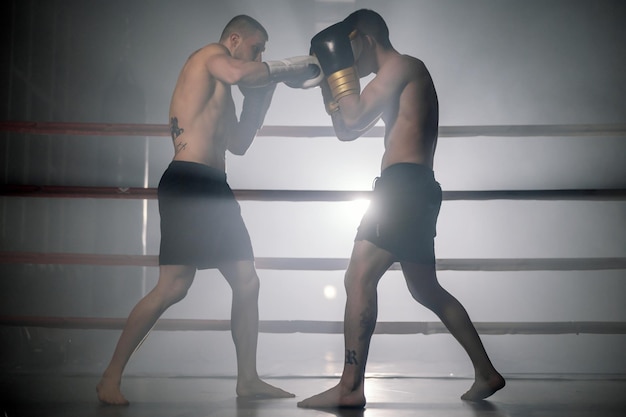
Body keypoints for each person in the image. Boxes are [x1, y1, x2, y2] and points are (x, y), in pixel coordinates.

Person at [96, 14, 322, 405]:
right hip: (189, 181)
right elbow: (238, 73)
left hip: (215, 187)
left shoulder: (225, 85)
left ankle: (247, 379)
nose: (260, 55)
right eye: (256, 48)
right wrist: (289, 68)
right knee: (174, 286)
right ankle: (109, 377)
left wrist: (262, 96)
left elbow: (239, 143)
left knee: (247, 282)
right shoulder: (209, 56)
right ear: (234, 40)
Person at [298, 9, 505, 409]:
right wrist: (327, 82)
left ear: (363, 39)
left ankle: (350, 386)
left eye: (349, 50)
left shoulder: (403, 66)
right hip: (415, 188)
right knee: (424, 287)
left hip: (403, 188)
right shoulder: (394, 76)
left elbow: (354, 114)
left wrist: (335, 73)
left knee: (357, 277)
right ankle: (486, 371)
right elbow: (346, 130)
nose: (350, 61)